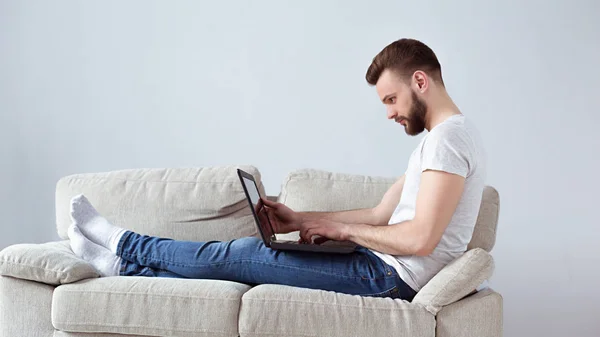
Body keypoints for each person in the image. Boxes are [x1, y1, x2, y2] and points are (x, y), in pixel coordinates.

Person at [67, 38, 486, 301]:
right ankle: (124, 268)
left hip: (387, 279)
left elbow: (420, 238)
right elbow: (381, 215)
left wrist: (341, 232)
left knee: (243, 254)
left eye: (391, 99)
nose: (390, 113)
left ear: (419, 81)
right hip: (379, 265)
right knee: (248, 254)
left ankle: (123, 243)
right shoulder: (439, 140)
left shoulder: (449, 139)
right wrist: (299, 220)